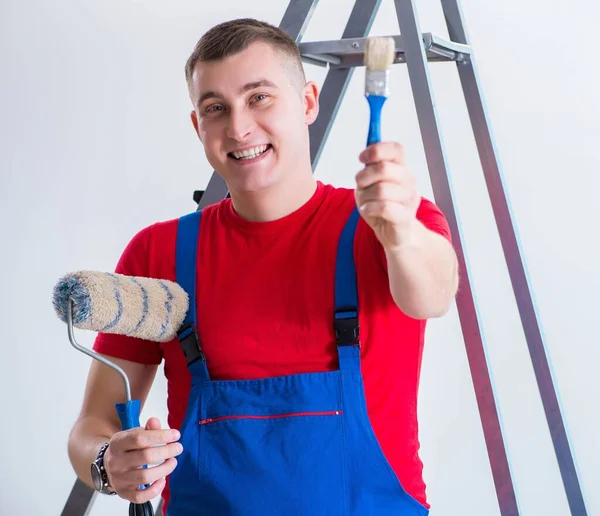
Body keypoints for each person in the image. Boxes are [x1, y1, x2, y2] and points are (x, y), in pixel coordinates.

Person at [67, 17, 459, 515]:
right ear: (197, 126)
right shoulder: (159, 252)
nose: (239, 127)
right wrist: (107, 461)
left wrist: (400, 232)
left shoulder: (384, 224)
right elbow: (90, 429)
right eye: (216, 108)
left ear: (308, 102)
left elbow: (433, 294)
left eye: (259, 97)